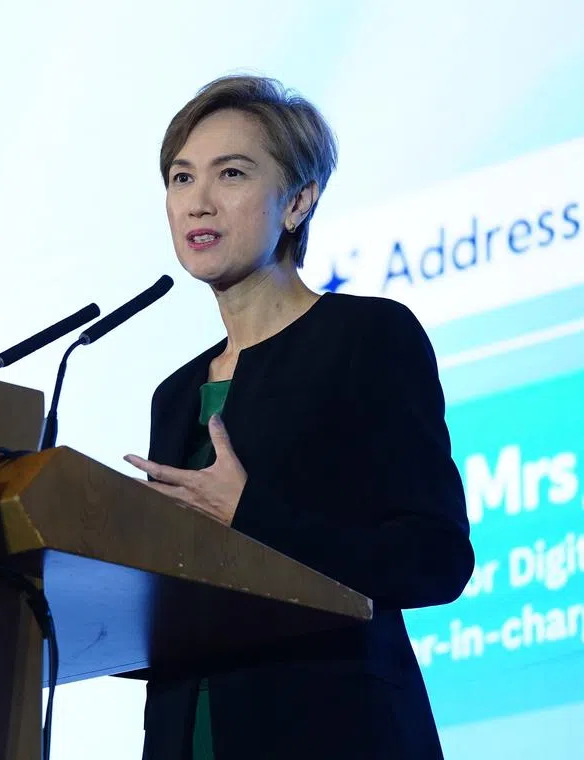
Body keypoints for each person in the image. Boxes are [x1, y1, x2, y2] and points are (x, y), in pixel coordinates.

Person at [123, 75, 475, 759]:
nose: (197, 200)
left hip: (332, 727)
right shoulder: (175, 394)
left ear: (298, 201)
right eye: (180, 177)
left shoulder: (367, 337)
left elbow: (435, 561)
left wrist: (250, 511)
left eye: (231, 174)